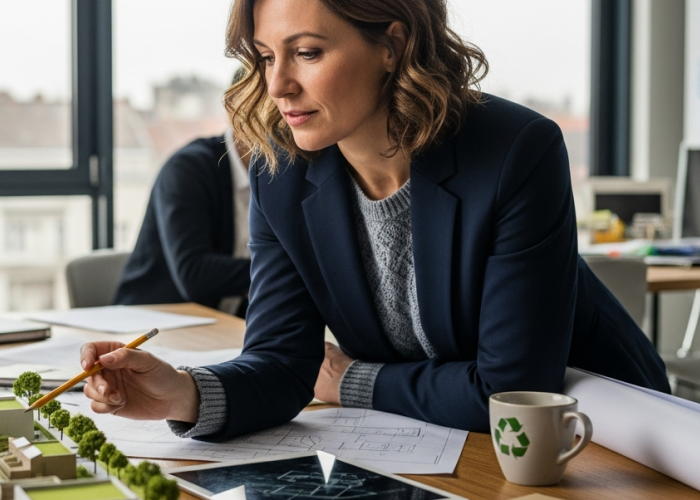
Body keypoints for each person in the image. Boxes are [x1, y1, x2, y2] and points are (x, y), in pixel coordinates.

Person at [81, 0, 670, 439]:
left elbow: (509, 393)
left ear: (392, 44)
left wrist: (352, 381)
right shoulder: (280, 172)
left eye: (307, 53)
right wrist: (181, 393)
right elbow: (285, 365)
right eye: (265, 57)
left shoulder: (516, 150)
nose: (277, 85)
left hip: (607, 434)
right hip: (438, 436)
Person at [112, 128, 253, 317]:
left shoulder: (280, 179)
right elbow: (195, 274)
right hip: (153, 321)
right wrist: (280, 271)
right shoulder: (188, 167)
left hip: (222, 326)